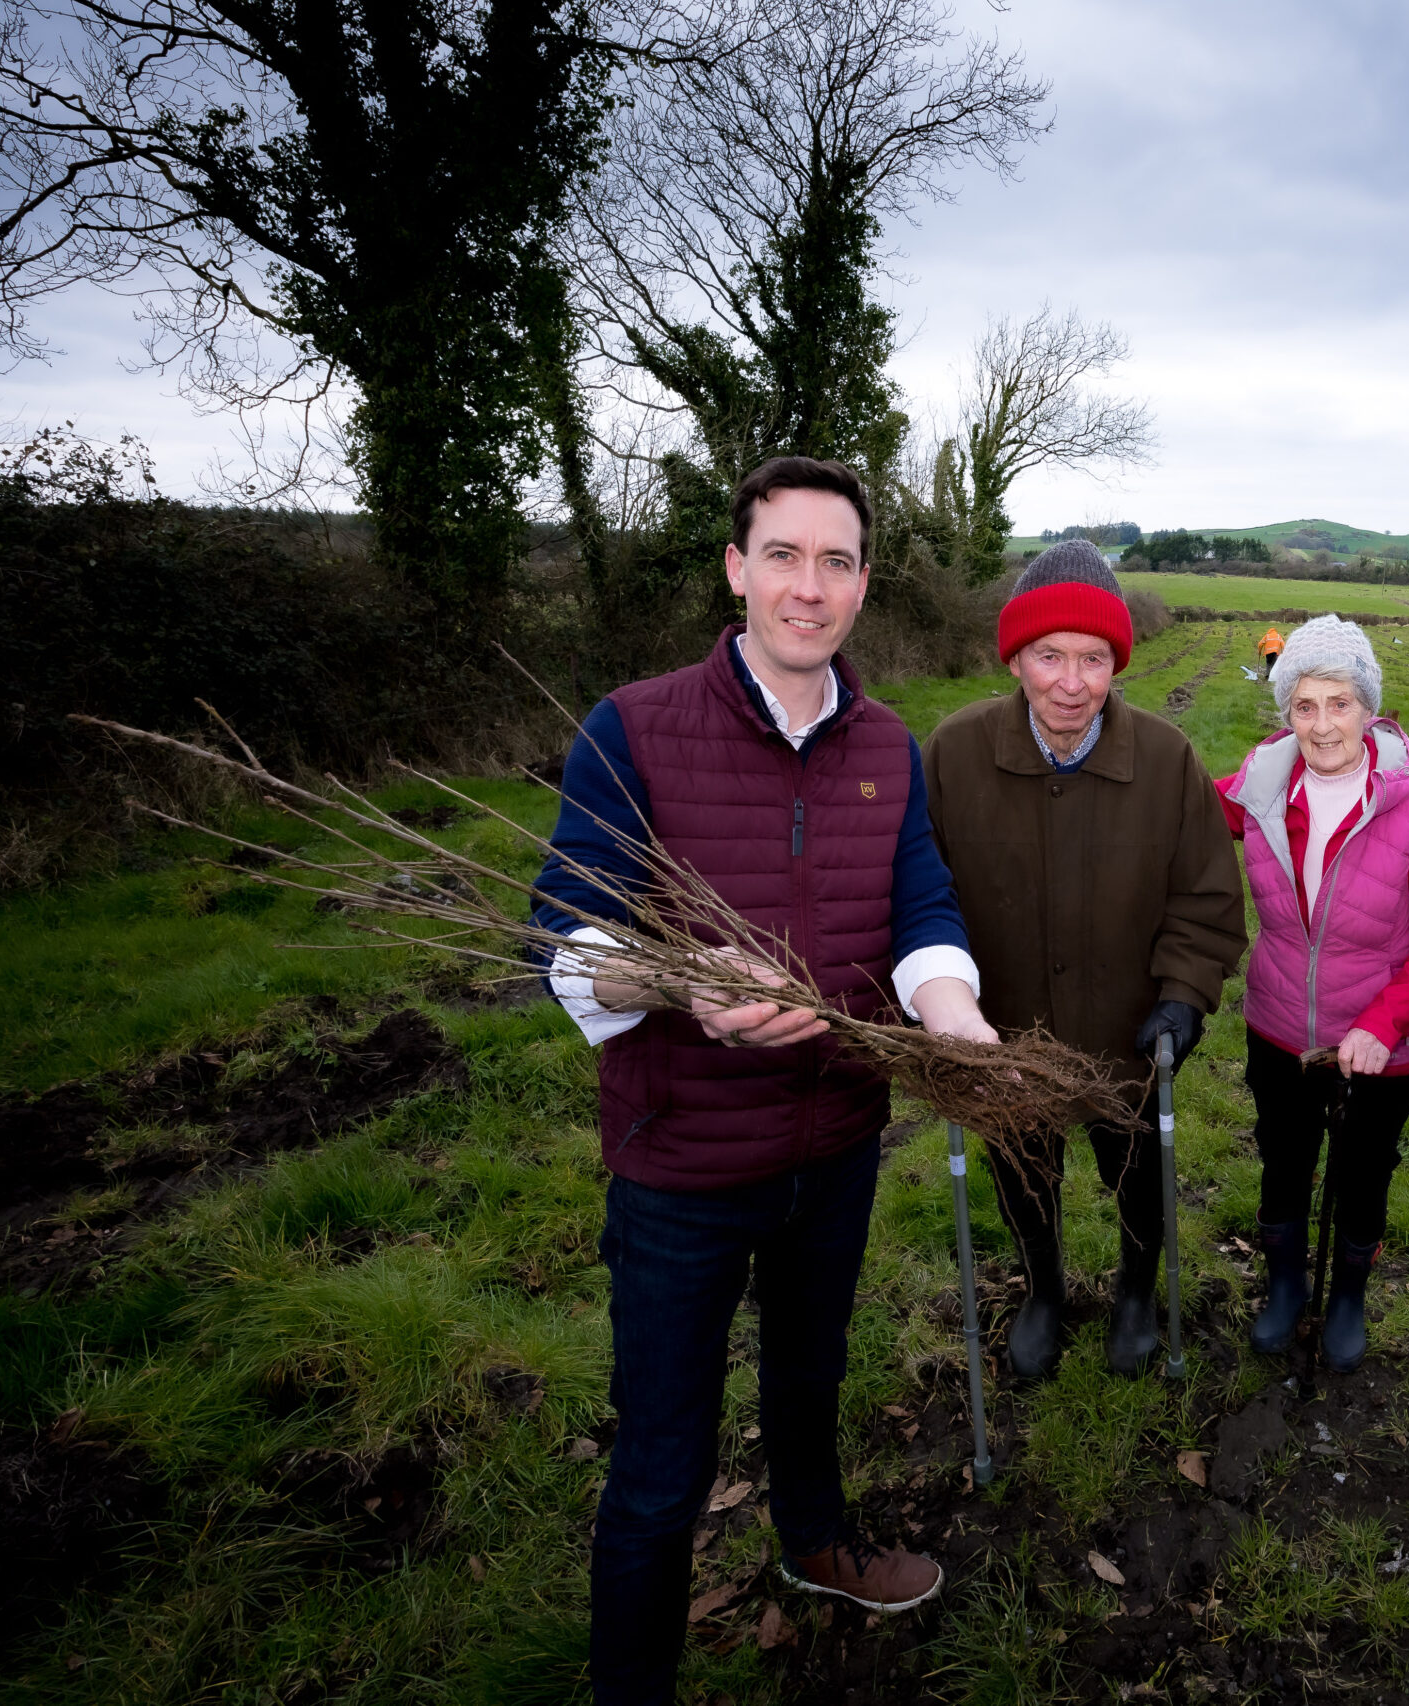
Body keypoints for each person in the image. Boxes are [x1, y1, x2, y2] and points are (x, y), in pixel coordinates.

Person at [530, 456, 998, 1703]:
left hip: (835, 1142)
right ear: (736, 569)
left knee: (809, 1372)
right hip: (681, 1160)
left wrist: (951, 1013)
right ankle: (633, 1679)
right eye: (782, 555)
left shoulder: (888, 742)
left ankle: (816, 1543)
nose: (810, 585)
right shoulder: (631, 726)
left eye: (836, 561)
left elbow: (922, 909)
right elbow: (562, 937)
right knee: (662, 1461)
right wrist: (680, 980)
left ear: (861, 584)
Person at [922, 541, 1247, 1379]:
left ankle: (1137, 1291)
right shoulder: (953, 755)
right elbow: (921, 893)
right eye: (1049, 656)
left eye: (1094, 658)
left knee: (1136, 1169)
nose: (1072, 682)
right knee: (1023, 1169)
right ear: (1017, 658)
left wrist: (1183, 995)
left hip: (1126, 1036)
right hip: (1007, 1034)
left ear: (1117, 661)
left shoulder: (1170, 761)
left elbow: (1206, 899)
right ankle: (1042, 1290)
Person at [1214, 616, 1409, 1371]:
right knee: (1283, 1163)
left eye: (1340, 704)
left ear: (1369, 709)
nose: (1322, 725)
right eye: (1304, 705)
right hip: (1279, 1028)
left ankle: (1349, 1295)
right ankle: (1287, 1286)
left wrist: (1384, 1026)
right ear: (1285, 710)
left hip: (1378, 1045)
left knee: (1363, 1174)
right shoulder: (1259, 786)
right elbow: (1178, 819)